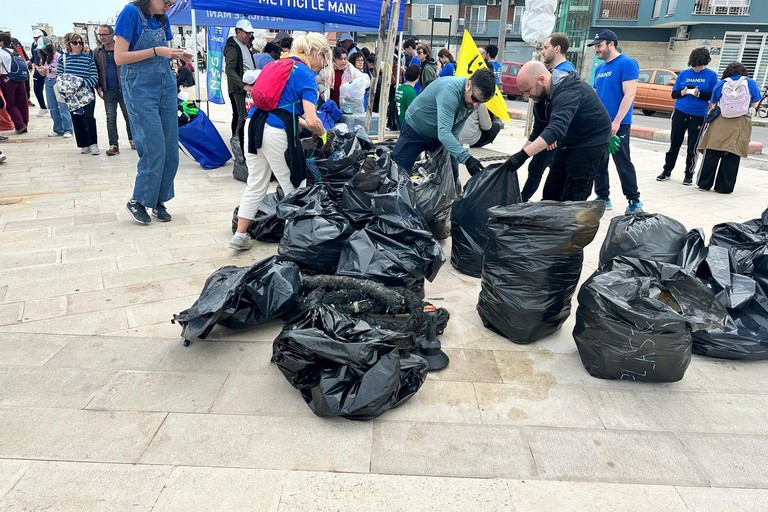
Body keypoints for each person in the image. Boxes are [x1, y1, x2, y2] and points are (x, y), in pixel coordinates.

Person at [230, 33, 331, 250]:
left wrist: (309, 125)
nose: (322, 65)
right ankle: (292, 244)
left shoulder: (277, 64)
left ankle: (240, 236)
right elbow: (312, 119)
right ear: (318, 53)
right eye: (324, 59)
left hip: (253, 125)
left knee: (256, 182)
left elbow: (286, 110)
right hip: (276, 132)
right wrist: (323, 134)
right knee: (295, 186)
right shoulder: (305, 74)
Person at [115, 0, 187, 225]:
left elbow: (162, 53)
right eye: (166, 1)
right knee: (153, 147)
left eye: (172, 3)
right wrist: (157, 51)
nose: (169, 6)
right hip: (140, 86)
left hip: (165, 83)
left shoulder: (162, 18)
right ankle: (137, 200)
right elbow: (120, 57)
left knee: (171, 151)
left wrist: (176, 55)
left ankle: (158, 199)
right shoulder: (130, 13)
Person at [506, 61, 612, 202]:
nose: (526, 96)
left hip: (591, 142)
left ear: (541, 80)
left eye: (527, 90)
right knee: (552, 190)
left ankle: (571, 221)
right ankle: (549, 220)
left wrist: (523, 156)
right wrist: (517, 157)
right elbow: (539, 129)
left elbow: (556, 129)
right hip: (569, 140)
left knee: (573, 195)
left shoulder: (568, 90)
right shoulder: (541, 97)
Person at [393, 67, 496, 184]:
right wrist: (466, 158)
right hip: (414, 130)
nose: (475, 105)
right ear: (468, 85)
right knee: (399, 176)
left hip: (438, 136)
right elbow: (444, 133)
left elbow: (456, 129)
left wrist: (457, 154)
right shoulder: (450, 91)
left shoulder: (473, 102)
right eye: (474, 99)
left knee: (451, 176)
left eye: (480, 102)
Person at [589, 29, 643, 215]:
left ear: (611, 44)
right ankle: (603, 196)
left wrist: (617, 122)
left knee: (622, 161)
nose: (596, 50)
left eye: (599, 46)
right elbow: (596, 97)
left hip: (619, 123)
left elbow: (630, 94)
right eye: (596, 47)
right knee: (599, 161)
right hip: (599, 123)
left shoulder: (627, 63)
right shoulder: (600, 68)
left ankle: (634, 199)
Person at [521, 32, 576, 201]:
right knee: (545, 169)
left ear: (557, 48)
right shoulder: (552, 71)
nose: (542, 51)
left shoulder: (564, 75)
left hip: (553, 134)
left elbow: (563, 111)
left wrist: (553, 134)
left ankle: (520, 201)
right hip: (547, 130)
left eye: (546, 47)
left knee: (538, 168)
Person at [696, 61, 761, 194]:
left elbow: (712, 104)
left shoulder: (722, 83)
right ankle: (724, 187)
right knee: (732, 153)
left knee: (712, 151)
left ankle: (704, 183)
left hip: (720, 120)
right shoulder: (750, 83)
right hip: (740, 122)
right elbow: (755, 105)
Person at [657, 47, 718, 185]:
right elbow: (674, 94)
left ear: (706, 62)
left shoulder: (711, 75)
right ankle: (667, 171)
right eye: (695, 65)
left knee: (693, 146)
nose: (697, 68)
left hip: (698, 114)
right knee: (674, 144)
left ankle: (689, 173)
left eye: (700, 65)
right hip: (680, 111)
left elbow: (712, 96)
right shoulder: (684, 74)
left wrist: (699, 94)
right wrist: (683, 93)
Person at [94, 24, 134, 157]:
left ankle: (133, 139)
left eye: (105, 34)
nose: (103, 37)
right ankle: (114, 145)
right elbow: (97, 70)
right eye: (100, 35)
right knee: (110, 117)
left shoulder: (121, 48)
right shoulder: (97, 51)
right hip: (108, 89)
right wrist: (98, 86)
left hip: (124, 88)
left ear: (112, 35)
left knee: (129, 116)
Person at [58, 32, 100, 154]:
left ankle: (93, 143)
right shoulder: (63, 59)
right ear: (69, 44)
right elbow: (60, 77)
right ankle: (83, 144)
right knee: (77, 118)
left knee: (89, 117)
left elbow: (94, 77)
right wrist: (69, 88)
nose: (78, 45)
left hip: (86, 93)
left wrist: (79, 84)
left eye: (80, 43)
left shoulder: (88, 58)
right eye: (75, 43)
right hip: (71, 95)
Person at [224, 19, 256, 150]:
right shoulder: (233, 47)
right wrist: (243, 85)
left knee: (241, 117)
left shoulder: (244, 45)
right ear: (238, 31)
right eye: (246, 33)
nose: (249, 35)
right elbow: (229, 70)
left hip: (245, 88)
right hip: (238, 89)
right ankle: (239, 148)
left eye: (250, 33)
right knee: (240, 118)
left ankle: (241, 146)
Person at [35, 37, 73, 138]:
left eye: (44, 48)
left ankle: (68, 129)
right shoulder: (44, 58)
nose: (43, 50)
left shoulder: (58, 56)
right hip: (48, 81)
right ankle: (58, 128)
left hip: (58, 81)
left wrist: (49, 69)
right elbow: (45, 73)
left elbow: (62, 70)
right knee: (52, 107)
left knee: (63, 106)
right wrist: (41, 71)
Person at [0, 32, 30, 134]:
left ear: (2, 42)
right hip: (19, 78)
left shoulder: (1, 52)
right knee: (22, 101)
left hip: (7, 79)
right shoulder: (14, 51)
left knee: (10, 103)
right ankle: (24, 122)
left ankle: (20, 124)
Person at [30, 29, 48, 117]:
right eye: (34, 37)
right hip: (38, 70)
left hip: (48, 69)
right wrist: (30, 63)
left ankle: (56, 107)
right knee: (37, 89)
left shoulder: (48, 44)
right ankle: (43, 107)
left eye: (37, 37)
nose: (36, 39)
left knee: (52, 89)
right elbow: (33, 57)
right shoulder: (33, 45)